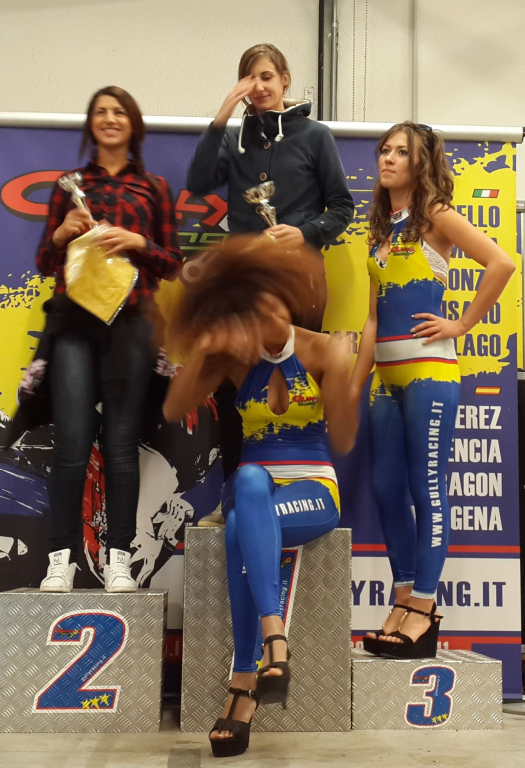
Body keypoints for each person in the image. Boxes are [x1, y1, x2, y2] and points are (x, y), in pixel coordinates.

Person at [163, 237, 358, 757]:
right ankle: (275, 640)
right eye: (252, 311)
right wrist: (205, 349)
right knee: (249, 479)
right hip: (255, 489)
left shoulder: (320, 348)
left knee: (241, 528)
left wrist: (342, 373)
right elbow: (173, 408)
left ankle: (244, 682)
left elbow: (343, 439)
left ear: (284, 300)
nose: (267, 317)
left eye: (272, 304)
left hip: (314, 490)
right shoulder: (234, 357)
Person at [349, 121, 515, 658]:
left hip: (430, 373)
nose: (388, 158)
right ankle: (401, 597)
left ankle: (423, 606)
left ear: (421, 163)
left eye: (402, 152)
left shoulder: (436, 215)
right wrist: (353, 388)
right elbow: (372, 320)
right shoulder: (380, 228)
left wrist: (461, 324)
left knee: (428, 488)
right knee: (385, 487)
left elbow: (502, 263)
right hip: (386, 379)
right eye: (386, 149)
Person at [187, 42, 355, 514]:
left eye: (266, 76)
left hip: (300, 282)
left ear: (285, 79)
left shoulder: (315, 136)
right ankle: (235, 498)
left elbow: (343, 207)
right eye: (249, 78)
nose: (258, 87)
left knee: (297, 384)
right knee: (233, 387)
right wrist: (223, 114)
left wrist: (304, 233)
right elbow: (198, 181)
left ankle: (300, 494)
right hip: (244, 285)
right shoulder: (234, 139)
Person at [35, 85, 182, 593]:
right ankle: (60, 561)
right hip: (74, 325)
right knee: (71, 445)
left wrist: (137, 241)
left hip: (133, 326)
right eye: (100, 111)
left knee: (120, 446)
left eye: (119, 111)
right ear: (90, 123)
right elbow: (45, 261)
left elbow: (173, 264)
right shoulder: (69, 186)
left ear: (133, 123)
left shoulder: (153, 188)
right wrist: (63, 233)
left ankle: (119, 558)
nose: (110, 118)